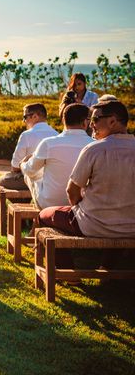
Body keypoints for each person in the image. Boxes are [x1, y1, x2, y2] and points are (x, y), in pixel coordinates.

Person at [38, 101, 135, 267]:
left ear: (112, 121)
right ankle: (108, 268)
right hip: (131, 227)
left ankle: (66, 270)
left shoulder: (94, 149)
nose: (91, 125)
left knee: (44, 215)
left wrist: (80, 207)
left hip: (93, 224)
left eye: (96, 119)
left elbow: (72, 191)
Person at [21, 104, 93, 209]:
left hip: (49, 205)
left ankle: (36, 218)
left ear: (63, 121)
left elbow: (30, 170)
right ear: (85, 122)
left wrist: (23, 164)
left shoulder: (49, 143)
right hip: (82, 204)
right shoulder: (95, 145)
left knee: (30, 174)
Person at [0, 103, 58, 190]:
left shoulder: (27, 135)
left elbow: (15, 166)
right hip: (51, 181)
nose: (24, 121)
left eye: (25, 117)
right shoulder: (56, 134)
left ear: (35, 116)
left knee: (0, 181)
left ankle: (21, 202)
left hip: (33, 180)